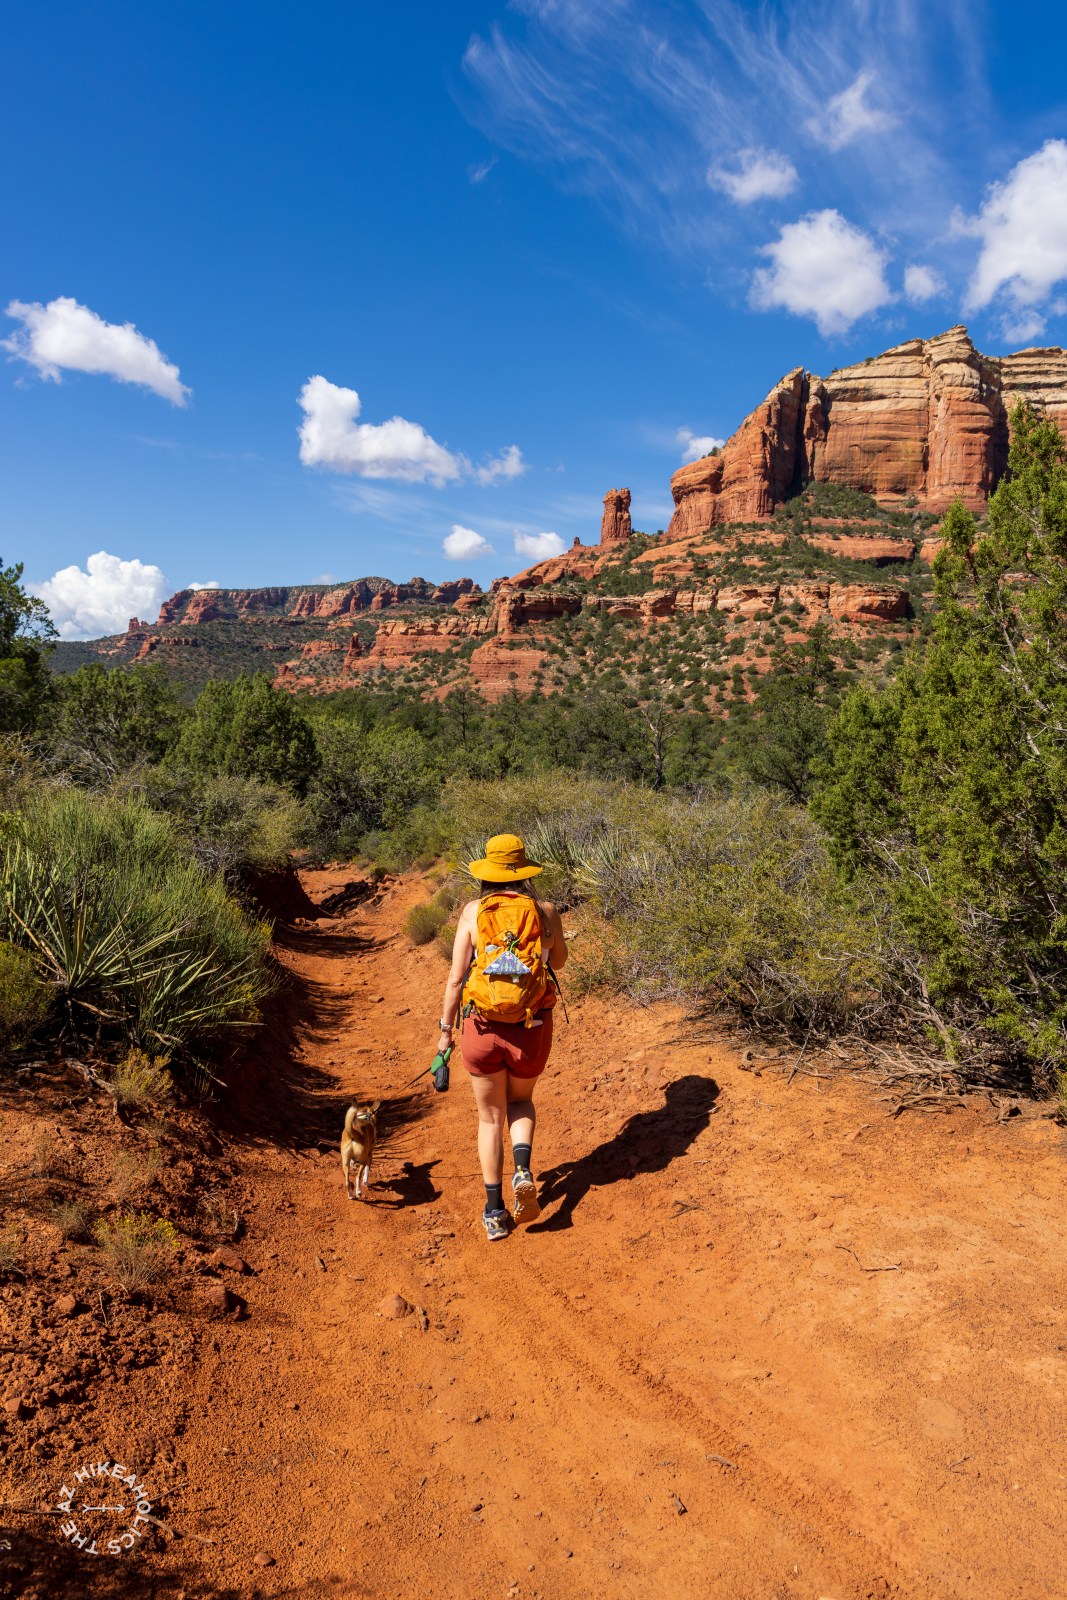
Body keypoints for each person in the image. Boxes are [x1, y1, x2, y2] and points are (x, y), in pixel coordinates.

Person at [436, 833, 568, 1241]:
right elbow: (558, 962)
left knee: (489, 1117)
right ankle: (524, 1169)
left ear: (488, 870)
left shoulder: (473, 911)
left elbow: (457, 978)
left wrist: (445, 1033)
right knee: (522, 1101)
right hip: (531, 1027)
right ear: (524, 869)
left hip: (482, 1029)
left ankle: (494, 1211)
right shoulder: (544, 911)